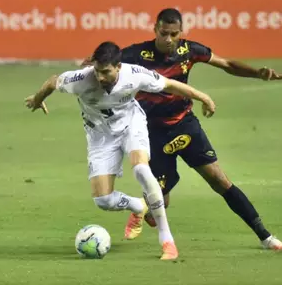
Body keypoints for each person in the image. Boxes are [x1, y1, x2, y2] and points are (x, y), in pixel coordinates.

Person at [114, 8, 282, 251]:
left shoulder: (189, 51)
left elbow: (227, 64)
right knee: (158, 208)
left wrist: (257, 74)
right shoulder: (137, 54)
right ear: (155, 29)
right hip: (152, 133)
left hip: (185, 125)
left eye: (173, 34)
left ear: (181, 32)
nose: (168, 39)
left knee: (220, 180)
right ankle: (146, 204)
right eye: (163, 33)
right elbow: (102, 65)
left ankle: (266, 237)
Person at [25, 41, 217, 260]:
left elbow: (169, 85)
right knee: (103, 200)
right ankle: (138, 206)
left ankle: (167, 241)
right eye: (97, 71)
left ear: (118, 67)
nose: (100, 77)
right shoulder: (81, 79)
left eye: (105, 72)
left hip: (131, 125)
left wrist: (203, 97)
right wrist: (37, 99)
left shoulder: (134, 74)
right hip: (100, 137)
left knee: (142, 170)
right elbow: (52, 82)